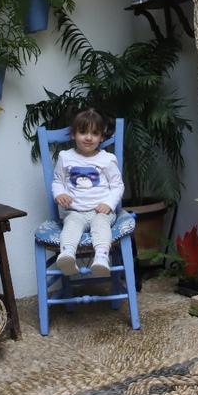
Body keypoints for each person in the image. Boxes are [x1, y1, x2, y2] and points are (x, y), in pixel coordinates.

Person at [52, 109, 124, 278]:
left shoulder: (106, 159)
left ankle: (101, 257)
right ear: (73, 135)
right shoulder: (65, 157)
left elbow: (117, 186)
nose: (89, 137)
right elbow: (57, 181)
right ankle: (67, 254)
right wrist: (60, 194)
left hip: (101, 211)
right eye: (83, 132)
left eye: (95, 133)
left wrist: (109, 204)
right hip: (74, 211)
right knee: (71, 226)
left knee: (101, 225)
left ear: (102, 137)